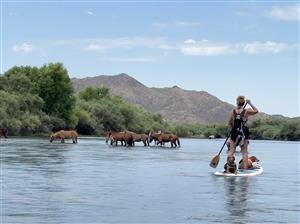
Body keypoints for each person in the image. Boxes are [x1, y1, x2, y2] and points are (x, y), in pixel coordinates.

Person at [227, 96, 258, 170]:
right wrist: (250, 103)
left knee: (231, 151)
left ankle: (228, 168)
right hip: (244, 131)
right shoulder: (247, 111)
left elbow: (230, 123)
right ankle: (245, 169)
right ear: (244, 103)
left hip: (234, 131)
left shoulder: (233, 111)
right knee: (244, 151)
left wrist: (232, 129)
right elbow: (256, 111)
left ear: (237, 102)